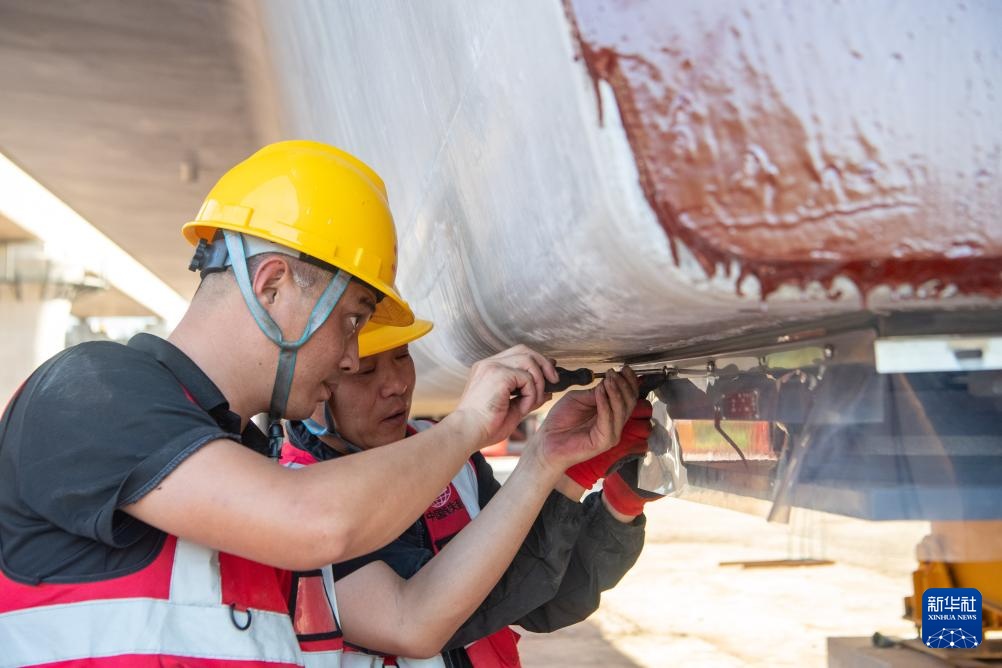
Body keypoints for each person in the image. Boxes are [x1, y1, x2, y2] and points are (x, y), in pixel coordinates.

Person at [0, 141, 635, 667]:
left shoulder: (249, 467)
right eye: (354, 319)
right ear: (272, 284)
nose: (354, 358)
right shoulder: (93, 391)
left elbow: (412, 620)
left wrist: (544, 460)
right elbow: (314, 522)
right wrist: (467, 424)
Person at [282, 319, 668, 666]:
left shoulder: (450, 456)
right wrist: (550, 467)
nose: (397, 384)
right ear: (313, 385)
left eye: (402, 356)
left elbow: (538, 599)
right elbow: (421, 622)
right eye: (366, 371)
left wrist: (617, 507)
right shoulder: (298, 500)